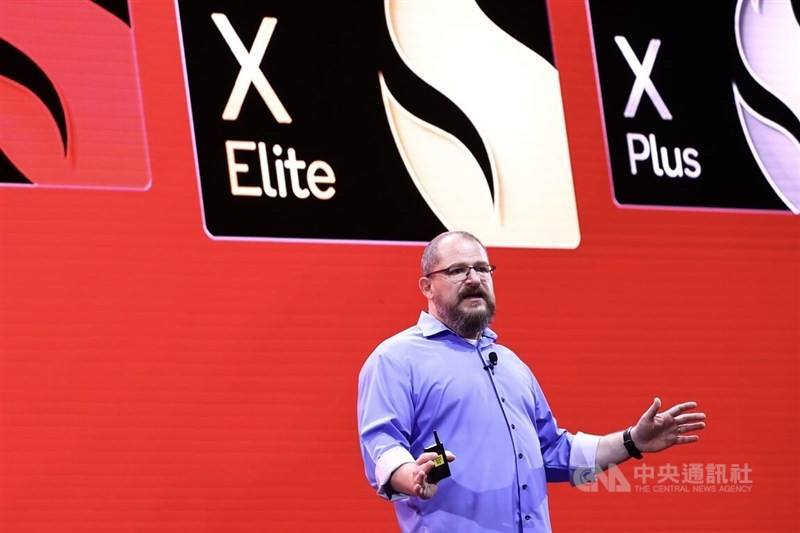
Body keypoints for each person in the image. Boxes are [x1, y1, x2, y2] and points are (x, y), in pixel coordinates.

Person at [357, 231, 706, 533]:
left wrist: (633, 441)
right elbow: (382, 446)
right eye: (457, 270)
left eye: (482, 268)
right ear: (427, 286)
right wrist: (411, 477)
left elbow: (554, 453)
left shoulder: (512, 365)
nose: (474, 278)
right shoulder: (397, 359)